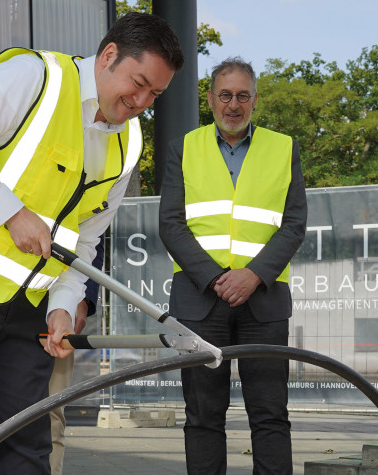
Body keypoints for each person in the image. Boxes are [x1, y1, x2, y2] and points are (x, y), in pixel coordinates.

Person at [0, 11, 184, 474]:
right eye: (138, 83)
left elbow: (85, 238)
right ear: (109, 55)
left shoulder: (128, 145)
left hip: (28, 304)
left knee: (27, 444)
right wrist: (10, 211)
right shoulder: (36, 78)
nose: (141, 101)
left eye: (155, 94)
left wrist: (63, 304)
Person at [159, 57, 307, 474]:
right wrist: (217, 279)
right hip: (200, 300)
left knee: (271, 415)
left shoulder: (284, 148)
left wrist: (253, 275)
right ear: (210, 99)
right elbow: (171, 225)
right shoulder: (182, 149)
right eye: (225, 95)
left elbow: (294, 225)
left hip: (264, 300)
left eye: (243, 95)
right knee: (203, 416)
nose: (234, 104)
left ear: (255, 99)